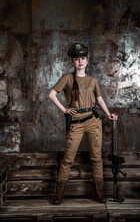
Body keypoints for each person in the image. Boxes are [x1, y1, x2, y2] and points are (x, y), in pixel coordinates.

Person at [48, 43, 118, 205]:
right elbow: (51, 95)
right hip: (76, 122)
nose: (80, 61)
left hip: (93, 122)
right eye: (76, 59)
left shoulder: (92, 80)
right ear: (73, 61)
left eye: (83, 58)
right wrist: (65, 110)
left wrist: (108, 114)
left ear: (87, 61)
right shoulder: (67, 78)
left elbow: (99, 99)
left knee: (96, 158)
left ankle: (98, 193)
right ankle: (59, 194)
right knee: (68, 159)